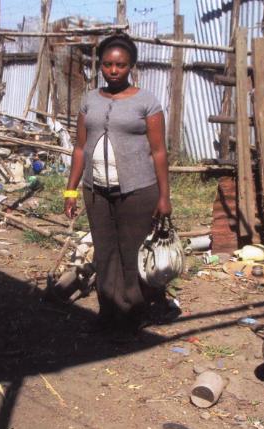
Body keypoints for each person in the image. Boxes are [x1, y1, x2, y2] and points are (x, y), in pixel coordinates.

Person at [63, 33, 171, 334]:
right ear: (100, 65)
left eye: (120, 65)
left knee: (131, 253)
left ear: (131, 66)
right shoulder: (90, 100)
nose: (113, 70)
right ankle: (108, 312)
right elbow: (80, 148)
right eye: (107, 64)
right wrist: (71, 190)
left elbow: (159, 151)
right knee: (105, 252)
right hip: (96, 190)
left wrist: (164, 196)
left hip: (138, 191)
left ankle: (132, 315)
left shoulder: (146, 101)